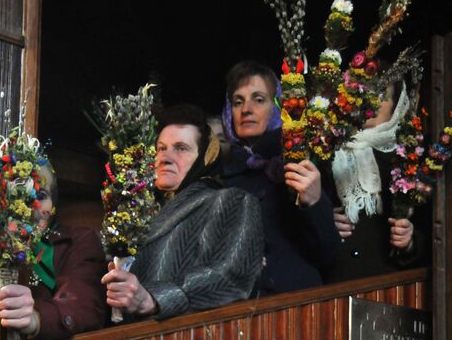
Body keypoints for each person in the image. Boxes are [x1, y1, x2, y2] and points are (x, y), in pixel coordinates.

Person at [102, 104, 263, 320]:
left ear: (206, 156)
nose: (165, 158)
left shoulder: (229, 200)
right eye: (161, 148)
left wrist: (153, 299)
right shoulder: (135, 215)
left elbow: (229, 275)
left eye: (180, 148)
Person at [222, 59, 339, 293]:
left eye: (259, 99)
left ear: (278, 108)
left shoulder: (300, 163)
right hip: (242, 310)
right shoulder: (221, 177)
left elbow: (329, 254)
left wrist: (314, 202)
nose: (246, 109)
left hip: (299, 304)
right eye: (238, 101)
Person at [0, 161, 109, 340]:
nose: (33, 205)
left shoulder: (77, 241)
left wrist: (36, 319)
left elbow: (84, 307)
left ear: (53, 204)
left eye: (41, 195)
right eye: (20, 192)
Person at [330, 83, 420, 281]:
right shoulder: (328, 151)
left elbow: (430, 229)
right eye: (363, 92)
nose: (371, 100)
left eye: (381, 95)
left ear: (396, 105)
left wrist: (409, 240)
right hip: (337, 282)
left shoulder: (409, 156)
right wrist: (326, 222)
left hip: (388, 284)